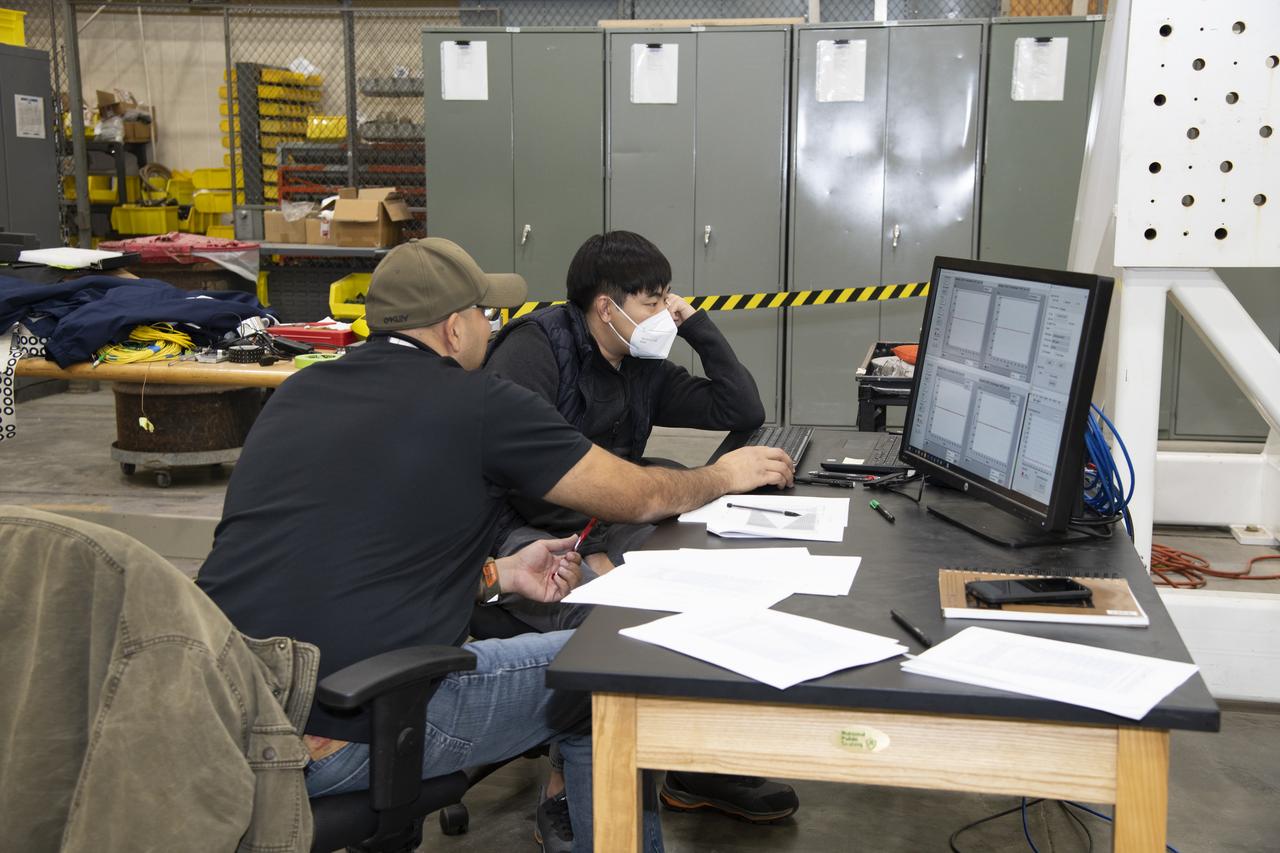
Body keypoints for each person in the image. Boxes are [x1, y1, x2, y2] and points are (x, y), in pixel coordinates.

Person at [196, 237, 794, 853]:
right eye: (486, 314)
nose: (495, 326)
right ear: (454, 330)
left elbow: (348, 554)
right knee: (615, 673)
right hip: (340, 735)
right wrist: (726, 475)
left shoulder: (297, 392)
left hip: (218, 713)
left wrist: (497, 575)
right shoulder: (479, 401)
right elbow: (638, 498)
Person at [484, 231, 802, 842]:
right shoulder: (535, 353)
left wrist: (696, 323)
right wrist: (601, 552)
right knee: (624, 625)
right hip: (516, 534)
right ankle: (566, 785)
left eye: (667, 299)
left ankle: (687, 763)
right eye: (653, 300)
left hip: (599, 525)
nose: (664, 310)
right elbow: (518, 477)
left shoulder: (639, 363)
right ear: (607, 306)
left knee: (710, 569)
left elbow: (741, 410)